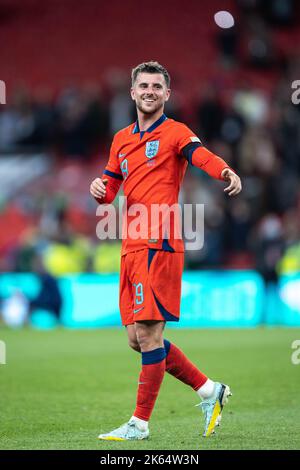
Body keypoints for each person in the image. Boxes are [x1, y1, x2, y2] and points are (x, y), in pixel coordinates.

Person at [90, 61, 242, 441]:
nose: (150, 91)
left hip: (160, 242)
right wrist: (99, 190)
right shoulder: (121, 139)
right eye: (144, 85)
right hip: (131, 245)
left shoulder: (176, 132)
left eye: (157, 86)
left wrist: (225, 171)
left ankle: (139, 424)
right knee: (137, 340)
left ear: (166, 94)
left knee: (150, 335)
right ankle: (211, 390)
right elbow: (110, 189)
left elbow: (201, 155)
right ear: (132, 92)